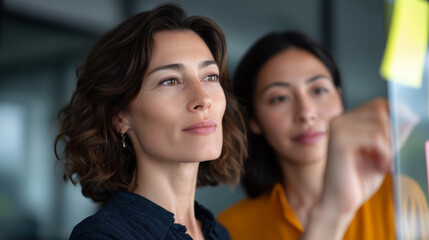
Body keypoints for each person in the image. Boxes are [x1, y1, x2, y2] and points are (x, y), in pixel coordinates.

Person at [54, 3, 247, 240]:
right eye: (170, 81)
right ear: (119, 116)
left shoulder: (218, 233)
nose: (204, 98)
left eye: (210, 76)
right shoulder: (104, 236)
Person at [218, 31, 429, 240]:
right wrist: (331, 213)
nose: (306, 113)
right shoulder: (231, 228)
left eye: (319, 91)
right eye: (280, 98)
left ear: (340, 99)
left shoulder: (400, 196)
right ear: (253, 119)